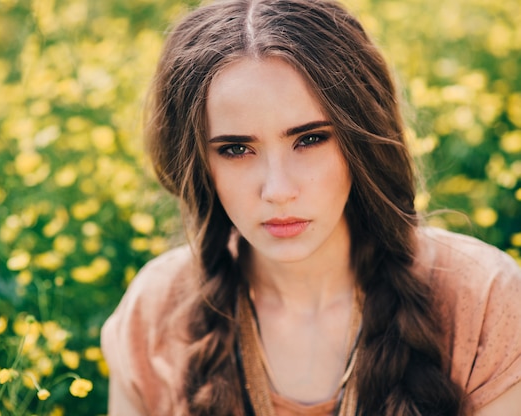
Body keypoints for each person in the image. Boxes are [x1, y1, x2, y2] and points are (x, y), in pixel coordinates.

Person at [101, 0, 521, 414]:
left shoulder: (481, 298)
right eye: (235, 149)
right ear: (197, 163)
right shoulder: (155, 313)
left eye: (310, 139)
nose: (278, 190)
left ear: (363, 139)